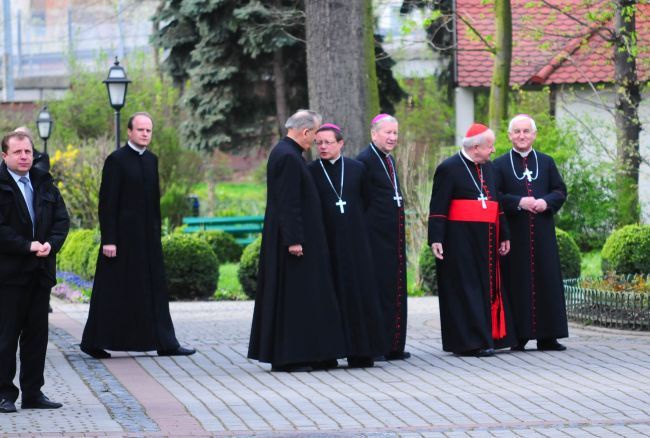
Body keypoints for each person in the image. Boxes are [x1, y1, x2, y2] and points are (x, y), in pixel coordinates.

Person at [80, 112, 195, 359]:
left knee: (153, 290)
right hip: (120, 241)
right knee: (112, 291)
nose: (145, 134)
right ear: (130, 132)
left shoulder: (152, 160)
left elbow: (153, 202)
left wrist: (157, 234)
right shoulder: (116, 160)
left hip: (148, 239)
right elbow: (107, 202)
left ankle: (165, 342)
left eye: (148, 130)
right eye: (140, 130)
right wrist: (109, 239)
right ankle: (94, 341)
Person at [248, 110, 347, 372]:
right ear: (305, 132)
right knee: (295, 300)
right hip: (293, 243)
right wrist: (294, 240)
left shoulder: (288, 153)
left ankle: (313, 353)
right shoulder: (288, 157)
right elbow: (288, 202)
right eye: (315, 135)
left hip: (297, 239)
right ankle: (293, 356)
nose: (316, 141)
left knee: (305, 297)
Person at [428, 123, 516, 357]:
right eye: (490, 146)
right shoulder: (449, 168)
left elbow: (496, 204)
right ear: (476, 147)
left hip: (486, 241)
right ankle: (470, 342)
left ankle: (490, 338)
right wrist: (436, 238)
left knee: (487, 289)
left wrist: (504, 234)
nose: (494, 150)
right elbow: (438, 207)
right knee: (467, 290)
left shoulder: (490, 168)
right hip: (460, 241)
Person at [0, 131, 69, 413]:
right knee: (5, 338)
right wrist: (27, 246)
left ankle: (33, 393)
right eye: (18, 152)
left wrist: (50, 245)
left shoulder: (44, 183)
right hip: (9, 276)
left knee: (36, 336)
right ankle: (4, 394)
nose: (24, 157)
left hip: (40, 273)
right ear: (4, 156)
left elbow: (61, 220)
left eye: (28, 151)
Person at [307, 123, 386, 368]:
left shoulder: (356, 169)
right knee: (328, 297)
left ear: (341, 143)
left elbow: (367, 201)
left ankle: (361, 352)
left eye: (327, 142)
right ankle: (327, 353)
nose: (322, 147)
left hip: (355, 244)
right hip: (325, 244)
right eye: (318, 143)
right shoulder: (310, 171)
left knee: (357, 295)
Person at [493, 114, 569, 351]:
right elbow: (496, 198)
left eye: (526, 131)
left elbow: (559, 190)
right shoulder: (498, 165)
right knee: (517, 282)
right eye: (517, 131)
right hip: (515, 235)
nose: (522, 136)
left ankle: (549, 336)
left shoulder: (546, 162)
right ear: (509, 136)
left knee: (547, 280)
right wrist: (519, 202)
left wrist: (546, 202)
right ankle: (519, 336)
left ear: (534, 135)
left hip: (543, 233)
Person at [356, 114, 409, 360]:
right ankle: (377, 346)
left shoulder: (388, 159)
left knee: (394, 290)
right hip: (375, 240)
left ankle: (393, 344)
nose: (392, 137)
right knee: (379, 292)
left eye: (395, 133)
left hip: (393, 239)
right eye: (388, 133)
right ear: (373, 133)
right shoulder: (364, 161)